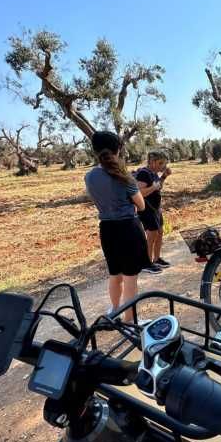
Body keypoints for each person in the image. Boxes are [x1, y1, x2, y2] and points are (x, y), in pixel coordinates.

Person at [84, 131, 158, 323]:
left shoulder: (89, 176)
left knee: (114, 274)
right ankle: (130, 320)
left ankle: (114, 310)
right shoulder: (124, 176)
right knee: (130, 277)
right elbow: (141, 205)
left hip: (107, 230)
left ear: (95, 150)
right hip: (128, 229)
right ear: (118, 149)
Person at [135, 151, 172, 270]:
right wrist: (153, 187)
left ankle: (156, 259)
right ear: (152, 162)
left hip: (155, 208)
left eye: (164, 163)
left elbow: (158, 186)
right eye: (161, 163)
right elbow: (139, 192)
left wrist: (164, 177)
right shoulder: (143, 173)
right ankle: (148, 262)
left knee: (160, 232)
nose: (162, 166)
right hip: (146, 209)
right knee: (151, 235)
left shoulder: (154, 173)